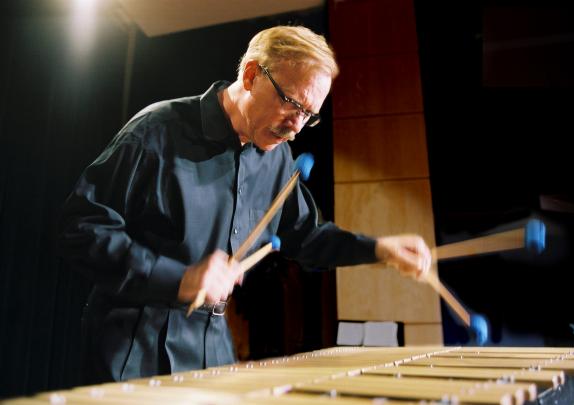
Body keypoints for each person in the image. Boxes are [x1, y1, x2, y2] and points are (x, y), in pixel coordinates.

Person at [58, 25, 432, 384]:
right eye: (291, 103)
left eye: (309, 115)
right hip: (135, 344)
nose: (296, 126)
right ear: (252, 74)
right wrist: (178, 278)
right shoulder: (157, 132)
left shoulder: (277, 160)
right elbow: (82, 225)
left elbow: (308, 237)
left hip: (212, 344)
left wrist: (380, 249)